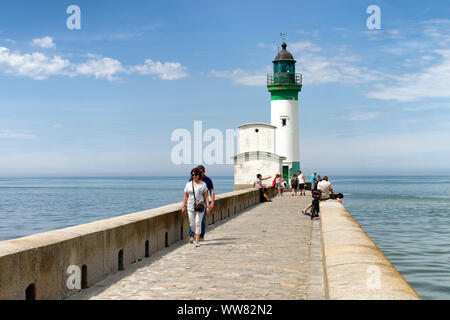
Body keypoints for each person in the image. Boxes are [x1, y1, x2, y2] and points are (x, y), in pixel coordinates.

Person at [182, 168, 211, 247]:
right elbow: (185, 196)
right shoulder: (188, 184)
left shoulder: (203, 184)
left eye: (195, 174)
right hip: (190, 207)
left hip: (200, 206)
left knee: (198, 223)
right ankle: (195, 235)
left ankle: (197, 240)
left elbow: (206, 197)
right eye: (192, 174)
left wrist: (208, 206)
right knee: (192, 224)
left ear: (199, 175)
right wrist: (183, 206)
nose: (194, 176)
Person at [187, 165, 215, 243]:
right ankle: (192, 236)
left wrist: (211, 203)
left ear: (203, 172)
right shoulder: (192, 179)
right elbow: (188, 191)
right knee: (192, 221)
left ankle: (201, 236)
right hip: (193, 204)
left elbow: (211, 191)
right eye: (197, 172)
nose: (198, 173)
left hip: (203, 204)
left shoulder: (207, 180)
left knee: (201, 221)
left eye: (200, 172)